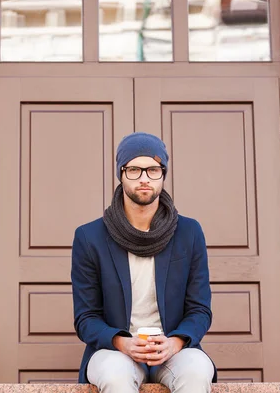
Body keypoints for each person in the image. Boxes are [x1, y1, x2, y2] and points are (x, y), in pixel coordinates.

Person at [71, 132, 216, 393]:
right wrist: (121, 342)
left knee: (197, 371)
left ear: (163, 173)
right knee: (116, 376)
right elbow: (86, 317)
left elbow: (199, 309)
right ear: (121, 173)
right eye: (134, 170)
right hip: (114, 351)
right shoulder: (89, 237)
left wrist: (175, 343)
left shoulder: (189, 232)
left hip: (173, 350)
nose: (144, 179)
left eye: (152, 170)